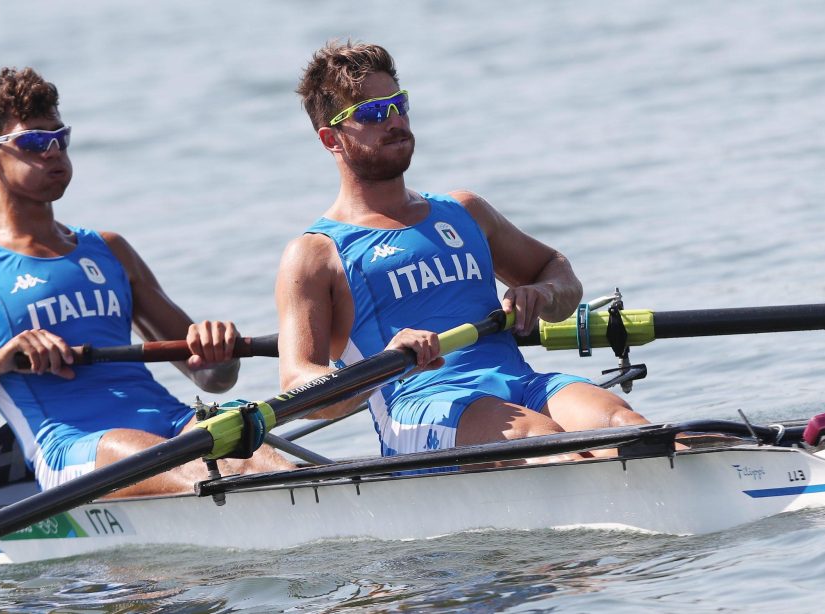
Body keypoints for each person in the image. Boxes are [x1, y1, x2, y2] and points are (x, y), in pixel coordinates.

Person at [0, 67, 291, 496]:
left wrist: (218, 350)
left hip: (174, 423)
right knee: (188, 470)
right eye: (33, 141)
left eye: (59, 138)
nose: (53, 152)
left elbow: (213, 381)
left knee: (271, 462)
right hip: (73, 447)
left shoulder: (109, 250)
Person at [276, 41, 648, 460]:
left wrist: (541, 294)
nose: (395, 120)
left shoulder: (465, 211)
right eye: (372, 113)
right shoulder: (314, 255)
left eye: (398, 103)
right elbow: (297, 384)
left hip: (517, 382)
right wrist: (380, 364)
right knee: (543, 438)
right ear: (332, 139)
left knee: (626, 426)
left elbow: (558, 274)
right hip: (419, 409)